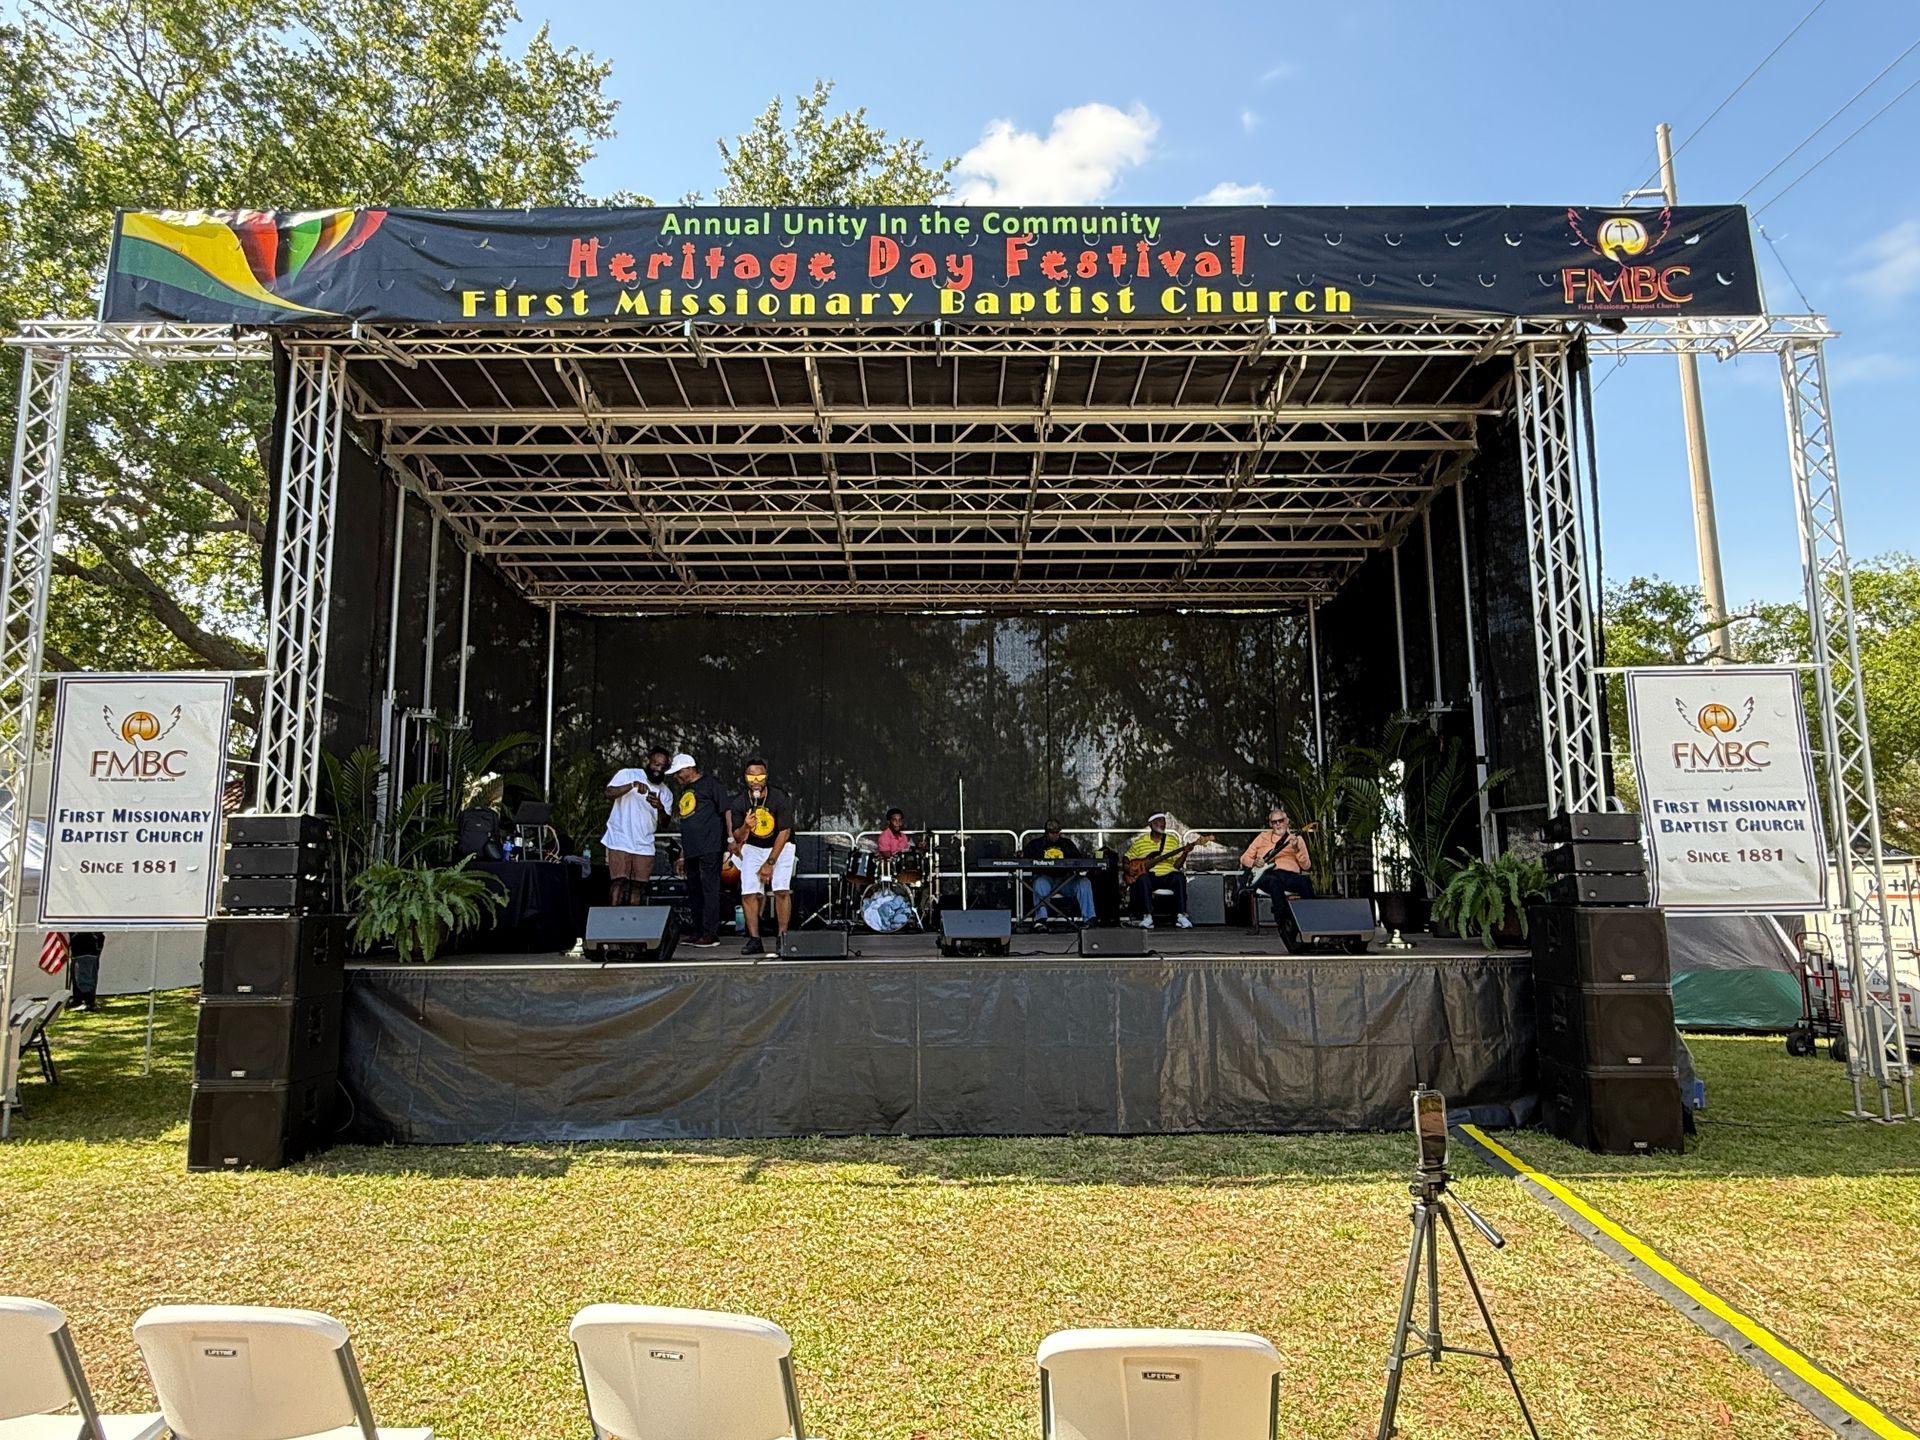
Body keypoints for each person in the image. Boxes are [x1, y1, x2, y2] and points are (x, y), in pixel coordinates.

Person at [729, 758, 796, 956]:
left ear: (766, 777)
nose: (755, 780)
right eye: (751, 776)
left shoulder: (779, 797)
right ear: (745, 778)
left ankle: (782, 936)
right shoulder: (740, 802)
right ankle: (754, 939)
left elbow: (785, 831)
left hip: (781, 846)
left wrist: (770, 862)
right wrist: (746, 827)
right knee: (748, 892)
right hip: (753, 847)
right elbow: (738, 837)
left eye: (760, 776)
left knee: (781, 890)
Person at [669, 753, 729, 949]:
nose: (677, 777)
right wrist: (683, 854)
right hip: (691, 848)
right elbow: (686, 823)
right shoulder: (687, 790)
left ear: (689, 769)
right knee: (694, 890)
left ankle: (710, 933)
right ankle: (698, 930)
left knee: (709, 888)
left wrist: (730, 839)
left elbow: (725, 810)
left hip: (710, 846)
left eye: (678, 773)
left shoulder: (711, 784)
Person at [602, 746, 672, 904]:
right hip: (620, 839)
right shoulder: (628, 774)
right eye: (655, 764)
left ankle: (634, 923)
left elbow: (665, 823)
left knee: (639, 885)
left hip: (644, 843)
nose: (658, 769)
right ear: (648, 761)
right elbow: (608, 793)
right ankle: (613, 919)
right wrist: (631, 786)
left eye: (662, 766)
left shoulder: (666, 792)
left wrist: (660, 808)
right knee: (619, 881)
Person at [1124, 813, 1199, 929]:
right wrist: (1127, 867)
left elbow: (1177, 865)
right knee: (1142, 879)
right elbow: (1127, 857)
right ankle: (1147, 916)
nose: (1163, 824)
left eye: (1164, 821)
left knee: (1179, 877)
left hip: (1167, 874)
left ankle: (1181, 915)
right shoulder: (1140, 841)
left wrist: (1185, 853)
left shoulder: (1172, 840)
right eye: (1159, 821)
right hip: (1150, 876)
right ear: (1151, 824)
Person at [1240, 807, 1314, 916]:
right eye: (1274, 822)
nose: (1278, 824)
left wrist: (1296, 850)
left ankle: (1312, 917)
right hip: (1266, 875)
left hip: (1289, 876)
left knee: (1305, 882)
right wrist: (1254, 862)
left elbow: (1306, 866)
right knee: (1273, 882)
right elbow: (1244, 858)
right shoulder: (1262, 837)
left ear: (1287, 821)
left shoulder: (1296, 840)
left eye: (1281, 821)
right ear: (1270, 824)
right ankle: (1283, 921)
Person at [1023, 821, 1094, 923]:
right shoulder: (1035, 845)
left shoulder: (1067, 844)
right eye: (1052, 833)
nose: (1055, 835)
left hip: (1066, 880)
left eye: (1057, 832)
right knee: (1039, 883)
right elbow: (1024, 859)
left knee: (1084, 882)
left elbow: (1079, 861)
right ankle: (1041, 920)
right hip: (1046, 879)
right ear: (1046, 832)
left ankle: (1089, 919)